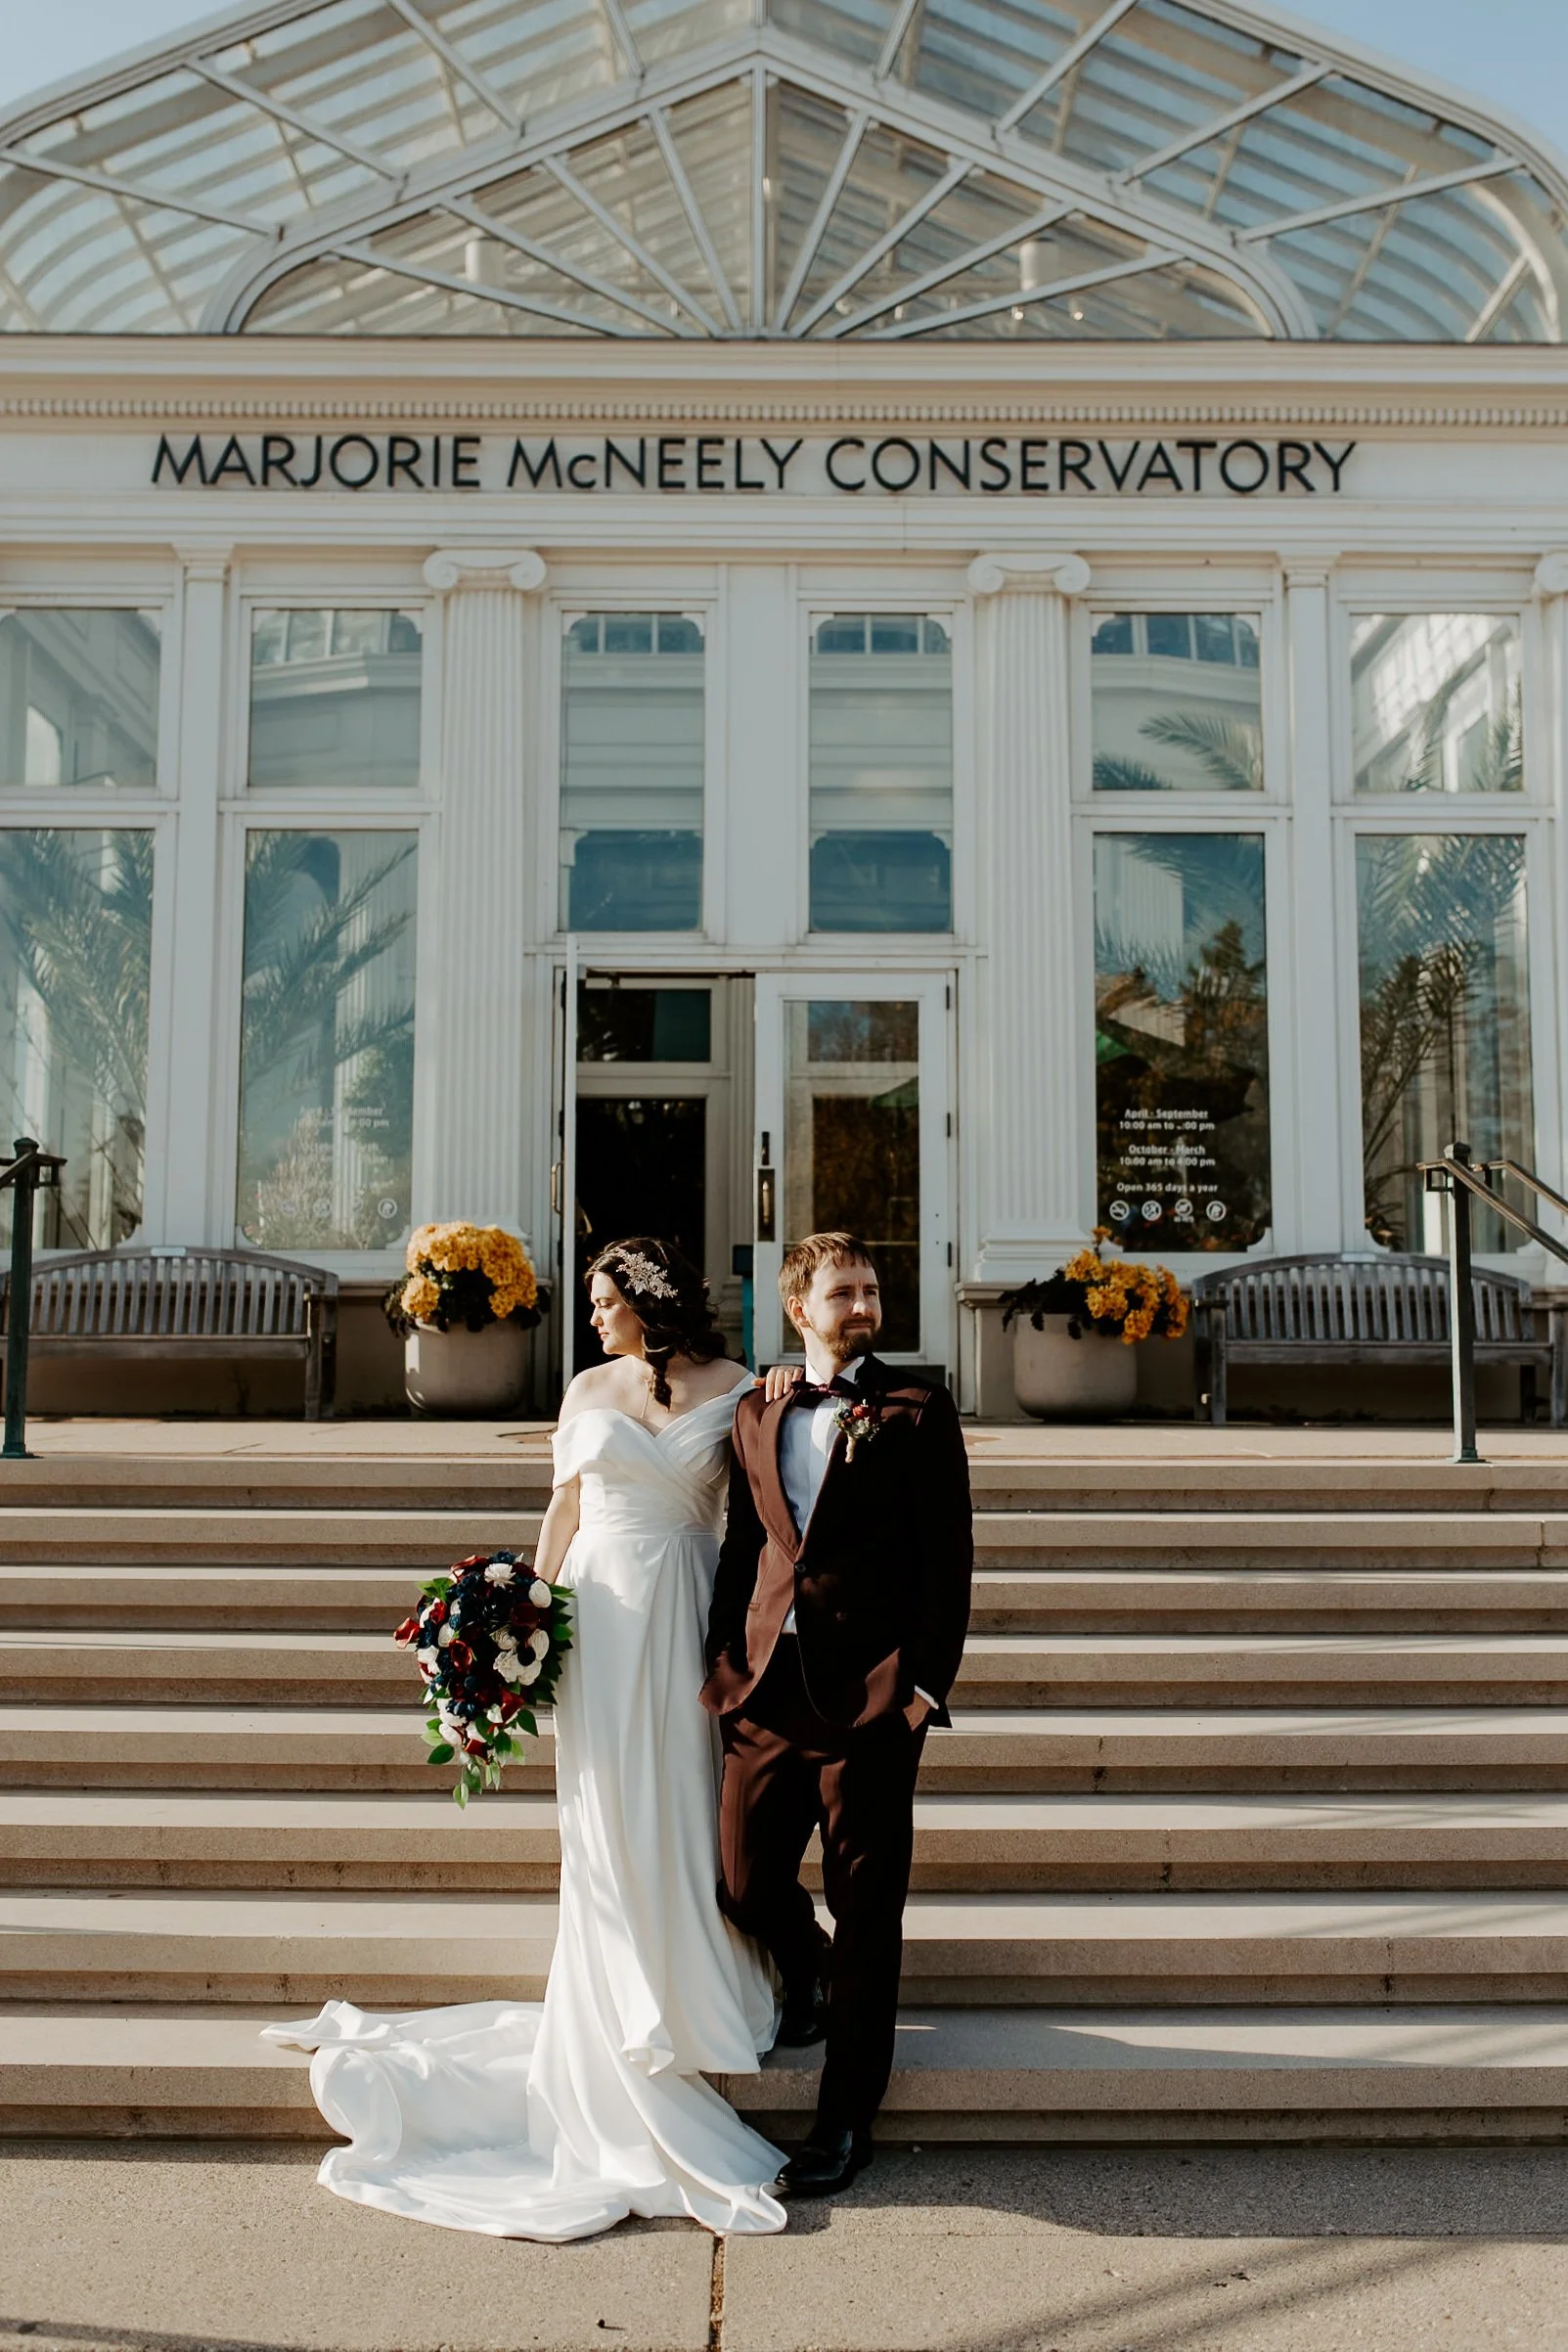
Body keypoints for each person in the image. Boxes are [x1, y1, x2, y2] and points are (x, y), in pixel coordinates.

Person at [264, 1239, 787, 2243]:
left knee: (681, 1793)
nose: (592, 1318)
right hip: (596, 1612)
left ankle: (693, 1984)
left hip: (685, 1606)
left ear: (649, 1299)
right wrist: (522, 1614)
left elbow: (763, 1504)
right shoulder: (586, 1386)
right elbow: (564, 1506)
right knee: (602, 1809)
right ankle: (614, 1992)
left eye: (603, 1301)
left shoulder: (739, 1387)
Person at [702, 1232, 974, 2196]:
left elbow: (948, 1561)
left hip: (872, 1703)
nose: (862, 1303)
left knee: (869, 1915)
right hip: (767, 1692)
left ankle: (844, 2121)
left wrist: (922, 1688)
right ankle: (803, 1970)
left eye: (869, 1288)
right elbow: (743, 1547)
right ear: (798, 1308)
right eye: (843, 1290)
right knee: (739, 1880)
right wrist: (722, 1666)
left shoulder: (917, 1408)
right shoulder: (754, 1409)